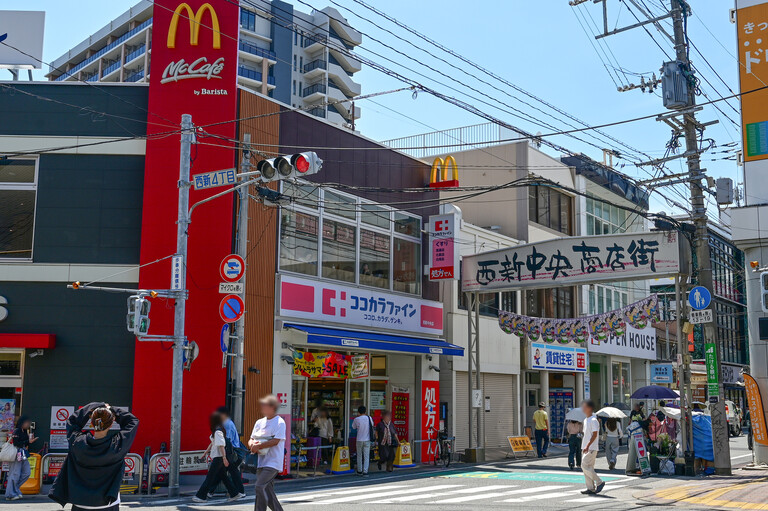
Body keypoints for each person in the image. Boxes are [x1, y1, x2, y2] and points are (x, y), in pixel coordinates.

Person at [50, 403, 139, 510]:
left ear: (91, 423)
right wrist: (111, 409)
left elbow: (72, 420)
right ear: (111, 424)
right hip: (107, 503)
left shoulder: (78, 443)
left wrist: (97, 405)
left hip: (79, 501)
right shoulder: (117, 446)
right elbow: (132, 421)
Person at [193, 412, 243, 503]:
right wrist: (205, 453)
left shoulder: (218, 431)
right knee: (223, 476)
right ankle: (234, 493)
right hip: (218, 456)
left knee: (210, 477)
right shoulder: (218, 431)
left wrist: (224, 458)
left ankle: (201, 496)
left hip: (219, 457)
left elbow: (221, 445)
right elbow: (212, 443)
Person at [248, 395, 286, 511]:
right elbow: (251, 438)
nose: (262, 407)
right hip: (261, 461)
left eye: (265, 405)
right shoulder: (259, 422)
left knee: (259, 486)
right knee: (267, 492)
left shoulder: (280, 422)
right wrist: (252, 445)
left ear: (272, 407)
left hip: (273, 462)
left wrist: (258, 446)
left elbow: (275, 441)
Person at [217, 406, 247, 497]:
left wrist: (224, 455)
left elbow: (228, 440)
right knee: (227, 472)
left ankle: (237, 491)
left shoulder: (227, 424)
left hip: (231, 452)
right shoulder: (228, 423)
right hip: (232, 451)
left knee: (228, 472)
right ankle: (237, 491)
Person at [6, 416, 37, 501]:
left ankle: (15, 490)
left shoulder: (25, 431)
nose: (28, 424)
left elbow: (25, 443)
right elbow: (16, 443)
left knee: (27, 472)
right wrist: (28, 441)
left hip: (22, 453)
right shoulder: (17, 431)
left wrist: (30, 441)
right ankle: (10, 494)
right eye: (26, 422)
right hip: (17, 452)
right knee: (15, 473)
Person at [580, 400, 605, 495]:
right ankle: (590, 488)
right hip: (586, 447)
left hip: (591, 447)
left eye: (585, 407)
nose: (583, 409)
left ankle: (599, 482)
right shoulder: (585, 420)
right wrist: (584, 446)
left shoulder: (594, 420)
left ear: (590, 408)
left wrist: (587, 445)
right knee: (588, 467)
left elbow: (595, 435)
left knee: (584, 465)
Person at [351, 405, 374, 475]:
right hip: (367, 439)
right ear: (365, 411)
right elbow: (372, 425)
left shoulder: (356, 419)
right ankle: (365, 471)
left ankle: (359, 470)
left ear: (358, 412)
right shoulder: (369, 418)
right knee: (366, 456)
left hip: (359, 439)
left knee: (359, 455)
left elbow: (353, 427)